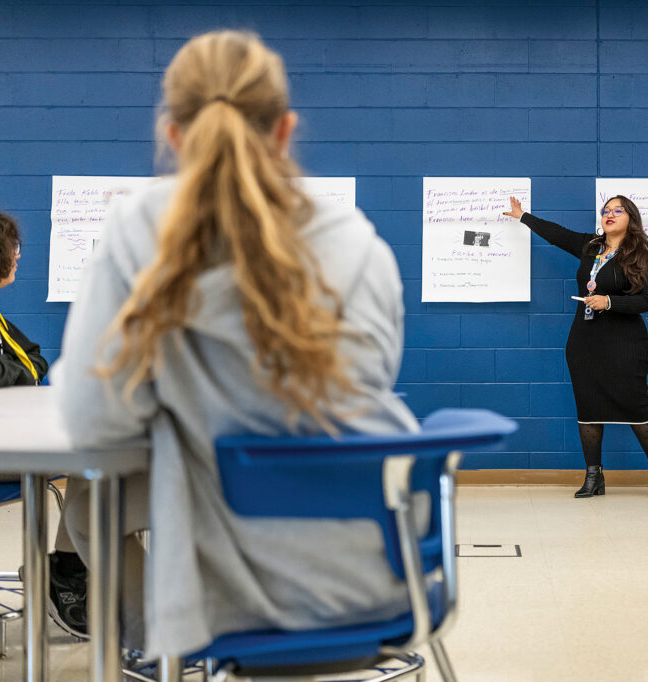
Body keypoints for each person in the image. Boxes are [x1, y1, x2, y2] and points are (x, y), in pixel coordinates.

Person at [52, 30, 417, 658]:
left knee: (90, 496)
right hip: (374, 584)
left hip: (210, 605)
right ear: (285, 130)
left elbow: (91, 417)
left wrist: (169, 405)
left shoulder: (137, 229)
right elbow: (371, 382)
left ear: (173, 134)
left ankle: (149, 646)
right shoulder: (358, 242)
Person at [503, 195, 648, 500]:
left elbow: (647, 301)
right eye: (606, 211)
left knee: (636, 406)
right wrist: (522, 216)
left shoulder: (639, 255)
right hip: (585, 340)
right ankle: (594, 477)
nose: (609, 214)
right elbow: (558, 235)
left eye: (617, 211)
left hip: (625, 343)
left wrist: (609, 301)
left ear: (630, 218)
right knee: (588, 408)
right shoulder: (591, 247)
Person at [0, 207, 47, 387]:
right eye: (11, 247)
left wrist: (2, 367)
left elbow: (35, 357)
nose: (17, 255)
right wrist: (17, 370)